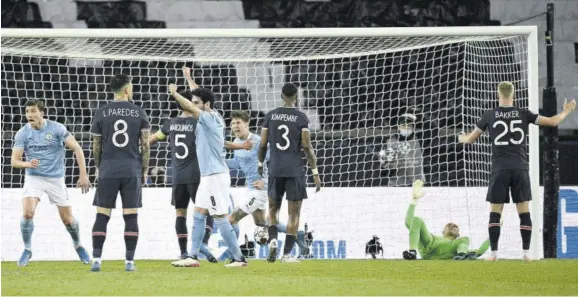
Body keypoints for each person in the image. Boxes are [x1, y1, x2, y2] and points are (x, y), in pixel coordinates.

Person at [459, 81, 576, 261]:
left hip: (499, 169)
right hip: (520, 168)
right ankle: (526, 253)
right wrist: (567, 110)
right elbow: (553, 122)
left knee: (495, 211)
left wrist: (461, 138)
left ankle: (494, 253)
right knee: (524, 211)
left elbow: (470, 140)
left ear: (498, 95)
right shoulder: (524, 114)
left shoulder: (489, 115)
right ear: (514, 95)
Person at [169, 66, 247, 268]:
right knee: (198, 214)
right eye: (194, 102)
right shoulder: (211, 112)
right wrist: (189, 78)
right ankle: (192, 257)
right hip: (207, 176)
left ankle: (239, 258)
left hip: (215, 176)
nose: (193, 105)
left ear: (206, 105)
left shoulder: (210, 119)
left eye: (197, 103)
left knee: (220, 217)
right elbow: (198, 98)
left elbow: (193, 106)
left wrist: (175, 93)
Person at [11, 99, 92, 267]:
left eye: (33, 111)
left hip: (56, 179)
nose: (29, 115)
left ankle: (78, 245)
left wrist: (83, 175)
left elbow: (77, 148)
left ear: (42, 113)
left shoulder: (57, 128)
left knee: (68, 220)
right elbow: (14, 161)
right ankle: (27, 249)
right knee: (27, 213)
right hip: (34, 177)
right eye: (27, 112)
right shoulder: (22, 133)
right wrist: (27, 164)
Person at [225, 110, 312, 257]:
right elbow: (237, 164)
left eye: (238, 122)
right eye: (233, 123)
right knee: (261, 223)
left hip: (261, 190)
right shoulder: (236, 144)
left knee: (231, 219)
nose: (235, 126)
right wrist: (220, 162)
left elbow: (275, 161)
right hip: (251, 188)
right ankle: (298, 234)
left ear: (246, 124)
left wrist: (265, 181)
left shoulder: (259, 142)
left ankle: (236, 257)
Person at [149, 90, 219, 263]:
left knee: (180, 213)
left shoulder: (170, 124)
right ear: (190, 103)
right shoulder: (199, 123)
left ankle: (183, 252)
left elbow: (152, 139)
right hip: (197, 174)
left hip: (177, 176)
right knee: (208, 211)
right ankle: (203, 243)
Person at [90, 74, 151, 272]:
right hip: (131, 169)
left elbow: (96, 145)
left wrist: (99, 167)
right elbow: (145, 146)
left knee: (102, 215)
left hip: (108, 169)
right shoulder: (139, 112)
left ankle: (97, 260)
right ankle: (129, 262)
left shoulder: (101, 112)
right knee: (131, 216)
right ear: (126, 90)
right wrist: (144, 169)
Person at [258, 83, 322, 263]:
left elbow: (263, 144)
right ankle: (286, 254)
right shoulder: (301, 117)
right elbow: (307, 147)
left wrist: (260, 162)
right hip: (294, 170)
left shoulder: (270, 116)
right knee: (294, 214)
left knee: (273, 209)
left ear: (281, 96)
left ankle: (272, 240)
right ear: (296, 97)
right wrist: (315, 172)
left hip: (275, 169)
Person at [403, 180, 491, 260]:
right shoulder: (434, 238)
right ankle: (412, 252)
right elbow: (408, 222)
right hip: (429, 246)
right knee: (417, 220)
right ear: (442, 231)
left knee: (466, 239)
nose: (452, 225)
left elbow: (480, 251)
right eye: (449, 225)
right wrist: (414, 201)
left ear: (458, 235)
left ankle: (461, 256)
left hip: (455, 252)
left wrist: (495, 228)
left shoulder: (459, 243)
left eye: (455, 227)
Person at [379, 112, 425, 186]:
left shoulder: (420, 139)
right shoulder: (390, 141)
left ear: (413, 127)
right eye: (403, 125)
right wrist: (388, 163)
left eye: (409, 125)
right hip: (396, 185)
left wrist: (418, 114)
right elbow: (383, 169)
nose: (406, 127)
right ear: (398, 127)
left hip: (417, 184)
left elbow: (434, 127)